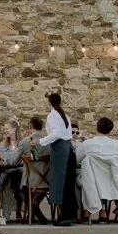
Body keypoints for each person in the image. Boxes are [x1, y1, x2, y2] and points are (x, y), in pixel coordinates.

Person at [32, 92, 77, 225]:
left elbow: (56, 134)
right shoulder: (65, 116)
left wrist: (40, 141)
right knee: (68, 183)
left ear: (49, 102)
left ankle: (64, 216)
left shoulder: (52, 115)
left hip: (60, 151)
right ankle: (69, 215)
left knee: (59, 183)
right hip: (68, 149)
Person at [75, 117, 118, 222]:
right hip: (112, 183)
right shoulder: (117, 145)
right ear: (110, 130)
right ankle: (103, 211)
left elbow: (76, 160)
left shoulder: (87, 144)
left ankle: (85, 209)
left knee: (79, 180)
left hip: (92, 182)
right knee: (103, 180)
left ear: (97, 128)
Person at [0, 119, 22, 224]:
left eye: (7, 129)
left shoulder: (22, 143)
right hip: (7, 172)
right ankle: (6, 213)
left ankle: (16, 210)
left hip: (20, 172)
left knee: (13, 178)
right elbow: (0, 159)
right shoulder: (3, 145)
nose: (5, 131)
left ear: (14, 129)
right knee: (5, 180)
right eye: (4, 129)